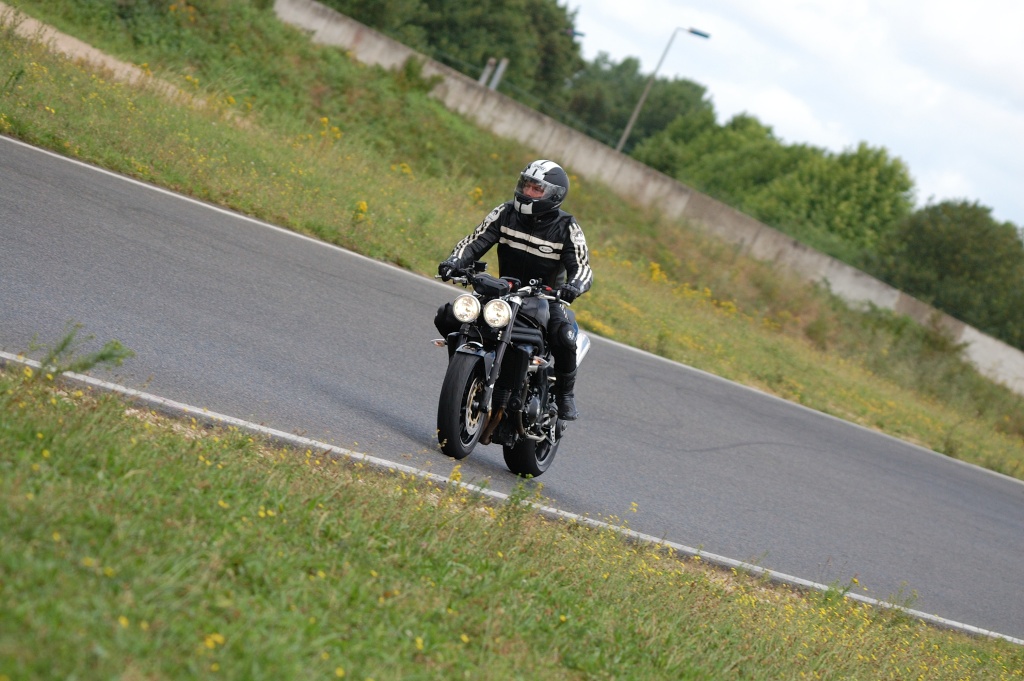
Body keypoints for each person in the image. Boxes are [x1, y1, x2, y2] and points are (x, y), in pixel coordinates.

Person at [435, 159, 593, 420]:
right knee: (449, 315)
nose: (527, 192)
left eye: (536, 189)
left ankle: (565, 394)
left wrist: (573, 287)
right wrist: (454, 261)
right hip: (502, 291)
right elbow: (474, 242)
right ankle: (465, 373)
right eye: (526, 185)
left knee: (564, 336)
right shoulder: (505, 213)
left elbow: (583, 267)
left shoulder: (567, 227)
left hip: (545, 297)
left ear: (554, 195)